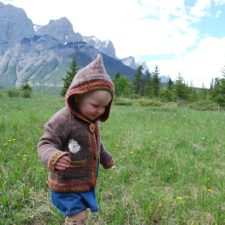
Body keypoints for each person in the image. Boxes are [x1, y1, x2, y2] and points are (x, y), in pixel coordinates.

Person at [38, 54, 115, 225]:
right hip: (66, 184)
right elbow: (45, 143)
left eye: (105, 106)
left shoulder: (91, 121)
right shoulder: (63, 119)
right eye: (95, 105)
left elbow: (96, 145)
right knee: (77, 217)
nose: (100, 111)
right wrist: (53, 156)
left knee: (80, 216)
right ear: (77, 96)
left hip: (83, 183)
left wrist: (106, 158)